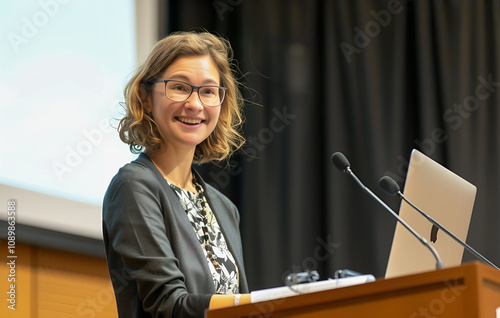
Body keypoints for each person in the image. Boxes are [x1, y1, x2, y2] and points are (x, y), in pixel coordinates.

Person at [102, 31, 250, 318]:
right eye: (180, 87)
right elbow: (168, 305)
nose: (195, 104)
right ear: (146, 98)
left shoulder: (224, 208)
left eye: (208, 91)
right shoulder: (134, 186)